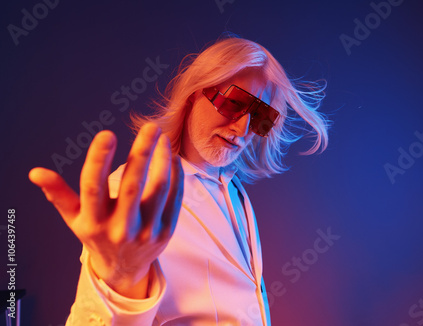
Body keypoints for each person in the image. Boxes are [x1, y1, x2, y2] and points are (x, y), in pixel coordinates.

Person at [29, 36, 329, 325]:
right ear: (195, 92)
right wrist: (118, 279)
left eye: (261, 115)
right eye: (235, 103)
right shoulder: (134, 191)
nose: (243, 127)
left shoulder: (234, 190)